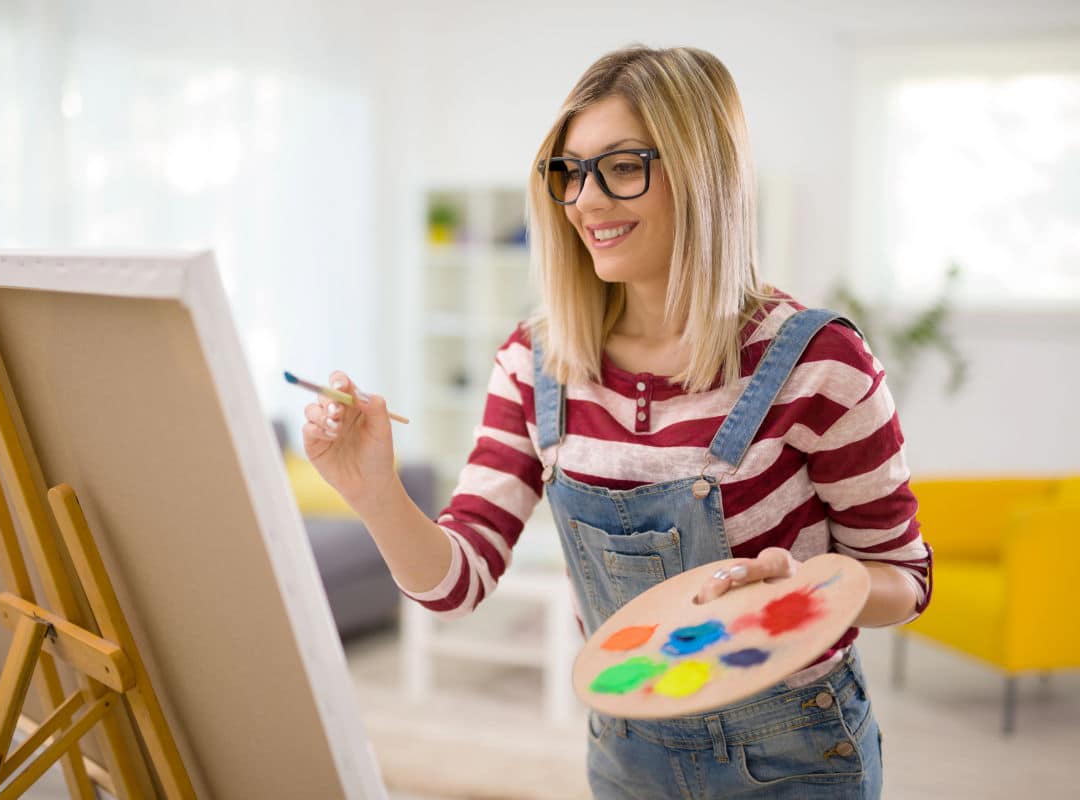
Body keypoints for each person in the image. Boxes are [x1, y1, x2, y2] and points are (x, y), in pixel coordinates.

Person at [302, 45, 932, 800]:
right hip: (627, 752)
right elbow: (456, 584)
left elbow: (906, 577)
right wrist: (374, 493)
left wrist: (814, 590)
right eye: (569, 173)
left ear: (704, 172)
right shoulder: (536, 362)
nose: (586, 202)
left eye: (623, 167)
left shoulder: (819, 360)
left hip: (793, 750)